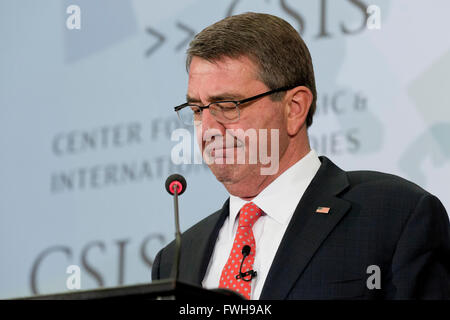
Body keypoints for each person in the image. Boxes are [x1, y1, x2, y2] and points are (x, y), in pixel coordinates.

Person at [151, 12, 450, 299]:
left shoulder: (394, 215)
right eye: (196, 110)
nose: (208, 129)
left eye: (227, 105)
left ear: (294, 108)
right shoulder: (175, 259)